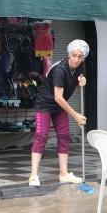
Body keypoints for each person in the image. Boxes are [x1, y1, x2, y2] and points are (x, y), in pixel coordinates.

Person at [28, 39, 89, 187]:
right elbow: (58, 97)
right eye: (73, 55)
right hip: (45, 103)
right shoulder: (59, 70)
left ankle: (63, 174)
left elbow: (78, 79)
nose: (76, 59)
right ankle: (33, 175)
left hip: (59, 106)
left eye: (80, 56)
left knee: (64, 136)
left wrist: (83, 80)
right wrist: (75, 115)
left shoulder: (80, 67)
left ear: (83, 57)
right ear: (69, 54)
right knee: (41, 135)